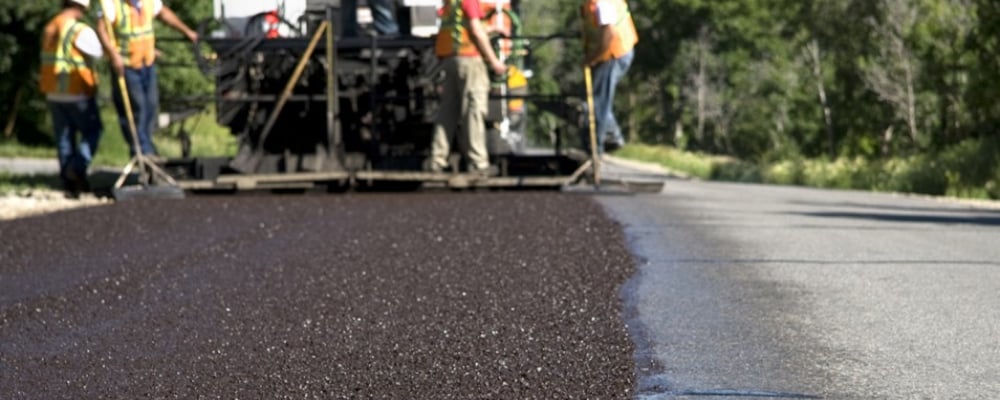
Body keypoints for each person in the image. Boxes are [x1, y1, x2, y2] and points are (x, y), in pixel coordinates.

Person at [95, 0, 198, 159]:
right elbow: (101, 29)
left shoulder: (148, 2)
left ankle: (146, 146)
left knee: (151, 107)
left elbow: (164, 14)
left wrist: (187, 32)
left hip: (146, 64)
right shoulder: (113, 5)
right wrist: (114, 55)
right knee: (138, 109)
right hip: (127, 66)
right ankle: (142, 151)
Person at [429, 0, 507, 174]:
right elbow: (476, 31)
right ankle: (478, 163)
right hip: (470, 61)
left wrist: (491, 29)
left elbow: (462, 29)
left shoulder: (452, 3)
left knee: (447, 113)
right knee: (474, 110)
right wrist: (494, 62)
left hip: (451, 60)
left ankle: (437, 160)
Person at [40, 0, 105, 197]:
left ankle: (69, 181)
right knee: (93, 130)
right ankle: (77, 167)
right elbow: (98, 52)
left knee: (64, 137)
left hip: (53, 91)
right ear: (82, 7)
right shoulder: (80, 30)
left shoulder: (50, 26)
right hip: (76, 90)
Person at [580, 0, 638, 153]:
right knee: (597, 99)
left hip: (614, 53)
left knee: (598, 102)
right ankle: (612, 135)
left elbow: (609, 33)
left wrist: (594, 57)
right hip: (609, 53)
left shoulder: (602, 3)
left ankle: (597, 147)